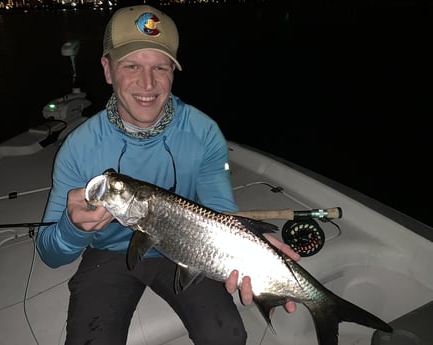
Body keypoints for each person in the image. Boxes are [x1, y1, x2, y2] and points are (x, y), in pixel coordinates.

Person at [36, 4, 300, 345]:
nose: (148, 84)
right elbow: (49, 252)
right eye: (131, 65)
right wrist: (72, 228)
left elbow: (220, 209)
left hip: (191, 246)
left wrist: (247, 248)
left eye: (160, 67)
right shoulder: (78, 148)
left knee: (228, 336)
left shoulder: (204, 132)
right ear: (107, 69)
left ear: (173, 72)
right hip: (110, 254)